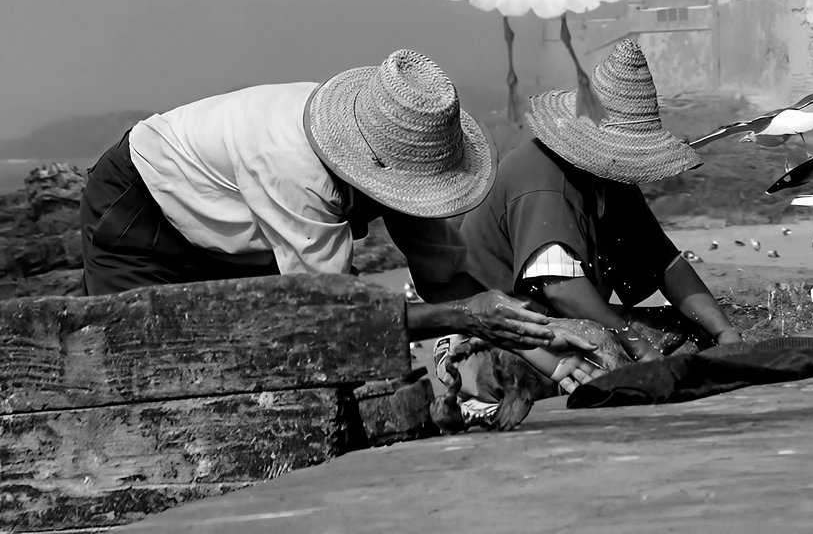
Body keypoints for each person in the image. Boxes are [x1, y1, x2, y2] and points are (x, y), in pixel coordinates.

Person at [79, 47, 598, 367]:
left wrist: (550, 353)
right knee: (143, 361)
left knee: (263, 349)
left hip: (236, 224)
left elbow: (446, 280)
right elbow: (331, 312)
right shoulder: (295, 167)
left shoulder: (395, 147)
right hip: (141, 207)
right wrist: (462, 316)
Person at [442, 38, 742, 424]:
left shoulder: (612, 182)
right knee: (612, 356)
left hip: (560, 321)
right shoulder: (543, 181)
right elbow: (563, 291)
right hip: (494, 333)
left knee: (692, 332)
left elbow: (668, 265)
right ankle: (477, 394)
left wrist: (725, 334)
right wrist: (636, 342)